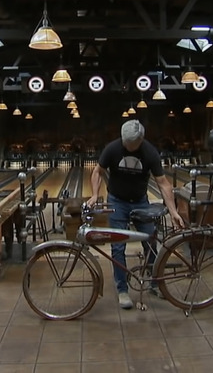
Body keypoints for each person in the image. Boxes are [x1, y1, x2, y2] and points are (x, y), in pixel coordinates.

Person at [86, 119, 185, 309]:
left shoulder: (149, 152)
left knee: (150, 242)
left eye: (132, 144)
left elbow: (163, 184)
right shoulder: (113, 149)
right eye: (126, 142)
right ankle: (122, 290)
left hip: (140, 202)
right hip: (117, 200)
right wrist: (95, 195)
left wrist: (173, 211)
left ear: (141, 141)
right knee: (117, 247)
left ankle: (155, 284)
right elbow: (98, 171)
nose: (128, 146)